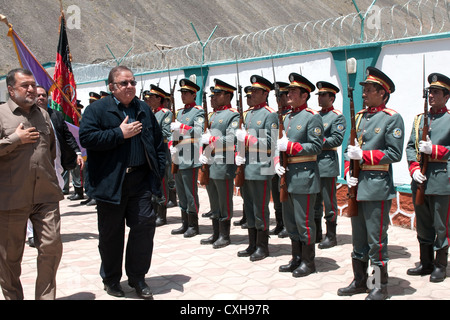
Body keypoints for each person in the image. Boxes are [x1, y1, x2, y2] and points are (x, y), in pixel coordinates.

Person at [79, 66, 166, 299]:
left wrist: (159, 170)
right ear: (111, 87)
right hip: (111, 183)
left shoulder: (143, 109)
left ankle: (137, 277)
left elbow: (157, 142)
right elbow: (86, 138)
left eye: (132, 82)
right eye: (123, 83)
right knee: (111, 235)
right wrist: (119, 133)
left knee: (144, 228)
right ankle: (111, 279)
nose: (129, 87)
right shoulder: (97, 109)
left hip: (140, 181)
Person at [337, 67, 404, 300]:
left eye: (368, 89)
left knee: (376, 240)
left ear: (383, 93)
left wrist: (363, 156)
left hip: (377, 187)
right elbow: (349, 151)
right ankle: (359, 280)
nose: (363, 93)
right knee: (358, 238)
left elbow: (394, 154)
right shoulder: (359, 117)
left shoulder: (391, 118)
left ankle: (378, 285)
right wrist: (348, 172)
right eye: (363, 89)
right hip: (358, 186)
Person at [0, 68, 64, 300]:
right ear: (10, 89)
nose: (31, 90)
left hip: (45, 196)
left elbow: (51, 150)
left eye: (32, 85)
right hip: (11, 199)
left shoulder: (43, 115)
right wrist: (15, 139)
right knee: (9, 259)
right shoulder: (1, 114)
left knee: (51, 248)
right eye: (24, 85)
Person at [275, 73, 323, 277]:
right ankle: (296, 257)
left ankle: (308, 262)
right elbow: (279, 147)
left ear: (305, 95)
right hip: (287, 176)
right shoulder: (287, 117)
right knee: (290, 220)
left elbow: (316, 146)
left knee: (304, 221)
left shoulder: (312, 117)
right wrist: (277, 162)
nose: (289, 94)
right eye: (289, 91)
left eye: (294, 91)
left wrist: (292, 147)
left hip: (304, 176)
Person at [406, 73, 450, 283]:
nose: (431, 95)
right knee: (423, 223)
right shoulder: (419, 119)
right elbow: (410, 147)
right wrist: (414, 169)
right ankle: (426, 262)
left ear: (446, 96)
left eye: (436, 92)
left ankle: (441, 264)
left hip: (442, 179)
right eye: (429, 92)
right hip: (420, 179)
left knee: (441, 224)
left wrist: (435, 150)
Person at [235, 75, 278, 261]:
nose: (251, 93)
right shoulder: (249, 113)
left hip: (261, 167)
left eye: (256, 91)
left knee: (260, 208)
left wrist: (247, 139)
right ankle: (252, 243)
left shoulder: (270, 114)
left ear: (265, 93)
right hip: (247, 167)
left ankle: (262, 246)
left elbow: (271, 143)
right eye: (251, 90)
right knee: (250, 207)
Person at [200, 79, 240, 249]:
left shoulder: (233, 115)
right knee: (214, 199)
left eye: (217, 94)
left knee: (224, 200)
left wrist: (211, 139)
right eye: (213, 95)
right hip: (210, 162)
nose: (213, 98)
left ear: (228, 95)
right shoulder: (212, 115)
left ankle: (225, 235)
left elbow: (231, 139)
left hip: (223, 162)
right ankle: (216, 232)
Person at [169, 79, 204, 238]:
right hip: (178, 156)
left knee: (190, 193)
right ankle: (184, 223)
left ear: (193, 94)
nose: (182, 96)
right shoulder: (180, 112)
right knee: (181, 192)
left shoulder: (198, 112)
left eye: (185, 93)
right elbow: (173, 133)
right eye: (181, 93)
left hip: (190, 156)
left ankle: (193, 224)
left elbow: (198, 131)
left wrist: (181, 127)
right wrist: (171, 143)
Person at [313, 81, 346, 249]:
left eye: (323, 95)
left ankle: (331, 235)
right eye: (319, 95)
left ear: (332, 98)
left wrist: (316, 142)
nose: (319, 98)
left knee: (329, 201)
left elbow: (337, 139)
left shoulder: (337, 117)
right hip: (314, 163)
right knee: (315, 201)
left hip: (327, 163)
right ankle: (317, 232)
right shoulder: (315, 115)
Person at [143, 85, 173, 226]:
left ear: (158, 98)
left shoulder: (166, 113)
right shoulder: (151, 113)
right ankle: (154, 211)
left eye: (151, 97)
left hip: (161, 153)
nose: (148, 99)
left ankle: (162, 214)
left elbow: (167, 133)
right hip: (151, 155)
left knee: (162, 183)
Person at [270, 81, 291, 238]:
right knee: (276, 194)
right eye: (276, 96)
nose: (278, 99)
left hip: (286, 160)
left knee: (284, 193)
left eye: (281, 95)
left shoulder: (290, 115)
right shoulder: (274, 115)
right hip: (272, 159)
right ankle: (279, 223)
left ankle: (287, 224)